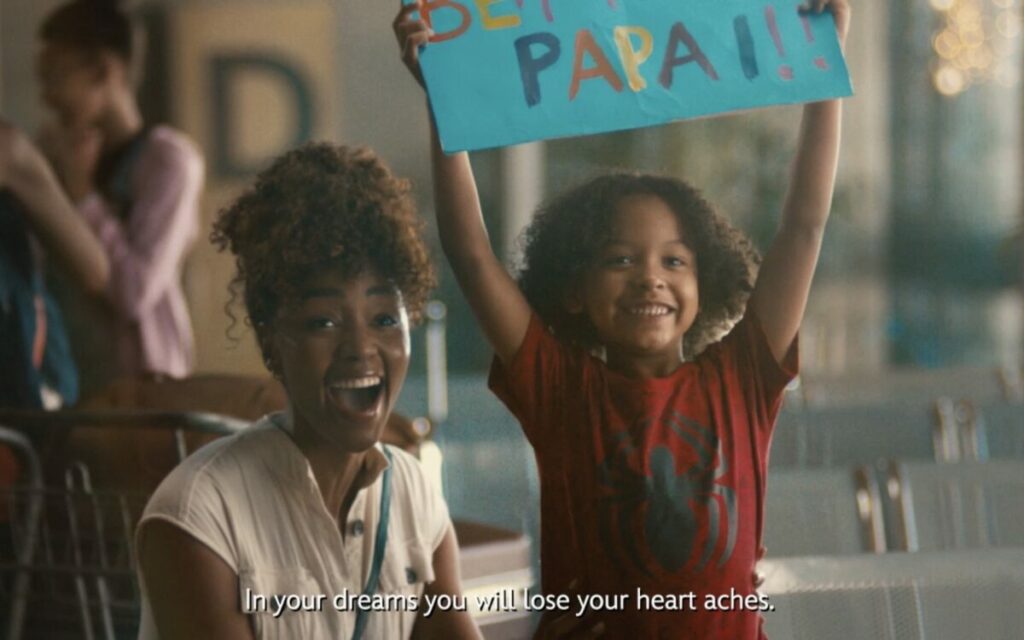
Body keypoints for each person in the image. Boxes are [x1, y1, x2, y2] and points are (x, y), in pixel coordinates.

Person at [394, 1, 849, 637]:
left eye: (673, 259)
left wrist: (823, 75)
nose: (649, 276)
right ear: (574, 290)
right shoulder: (561, 389)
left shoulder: (743, 379)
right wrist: (443, 96)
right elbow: (470, 253)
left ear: (704, 279)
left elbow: (803, 227)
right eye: (620, 259)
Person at [136, 143, 481, 640]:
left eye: (385, 319)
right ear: (272, 342)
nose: (360, 349)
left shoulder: (413, 494)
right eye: (323, 321)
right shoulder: (199, 515)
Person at [37, 0, 203, 394]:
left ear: (101, 71)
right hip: (70, 388)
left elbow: (135, 291)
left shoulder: (169, 161)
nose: (47, 97)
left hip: (145, 398)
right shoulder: (55, 159)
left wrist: (81, 196)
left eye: (54, 77)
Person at [0, 120, 110, 407]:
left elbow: (95, 271)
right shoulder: (10, 150)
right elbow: (95, 270)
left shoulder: (9, 151)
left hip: (24, 387)